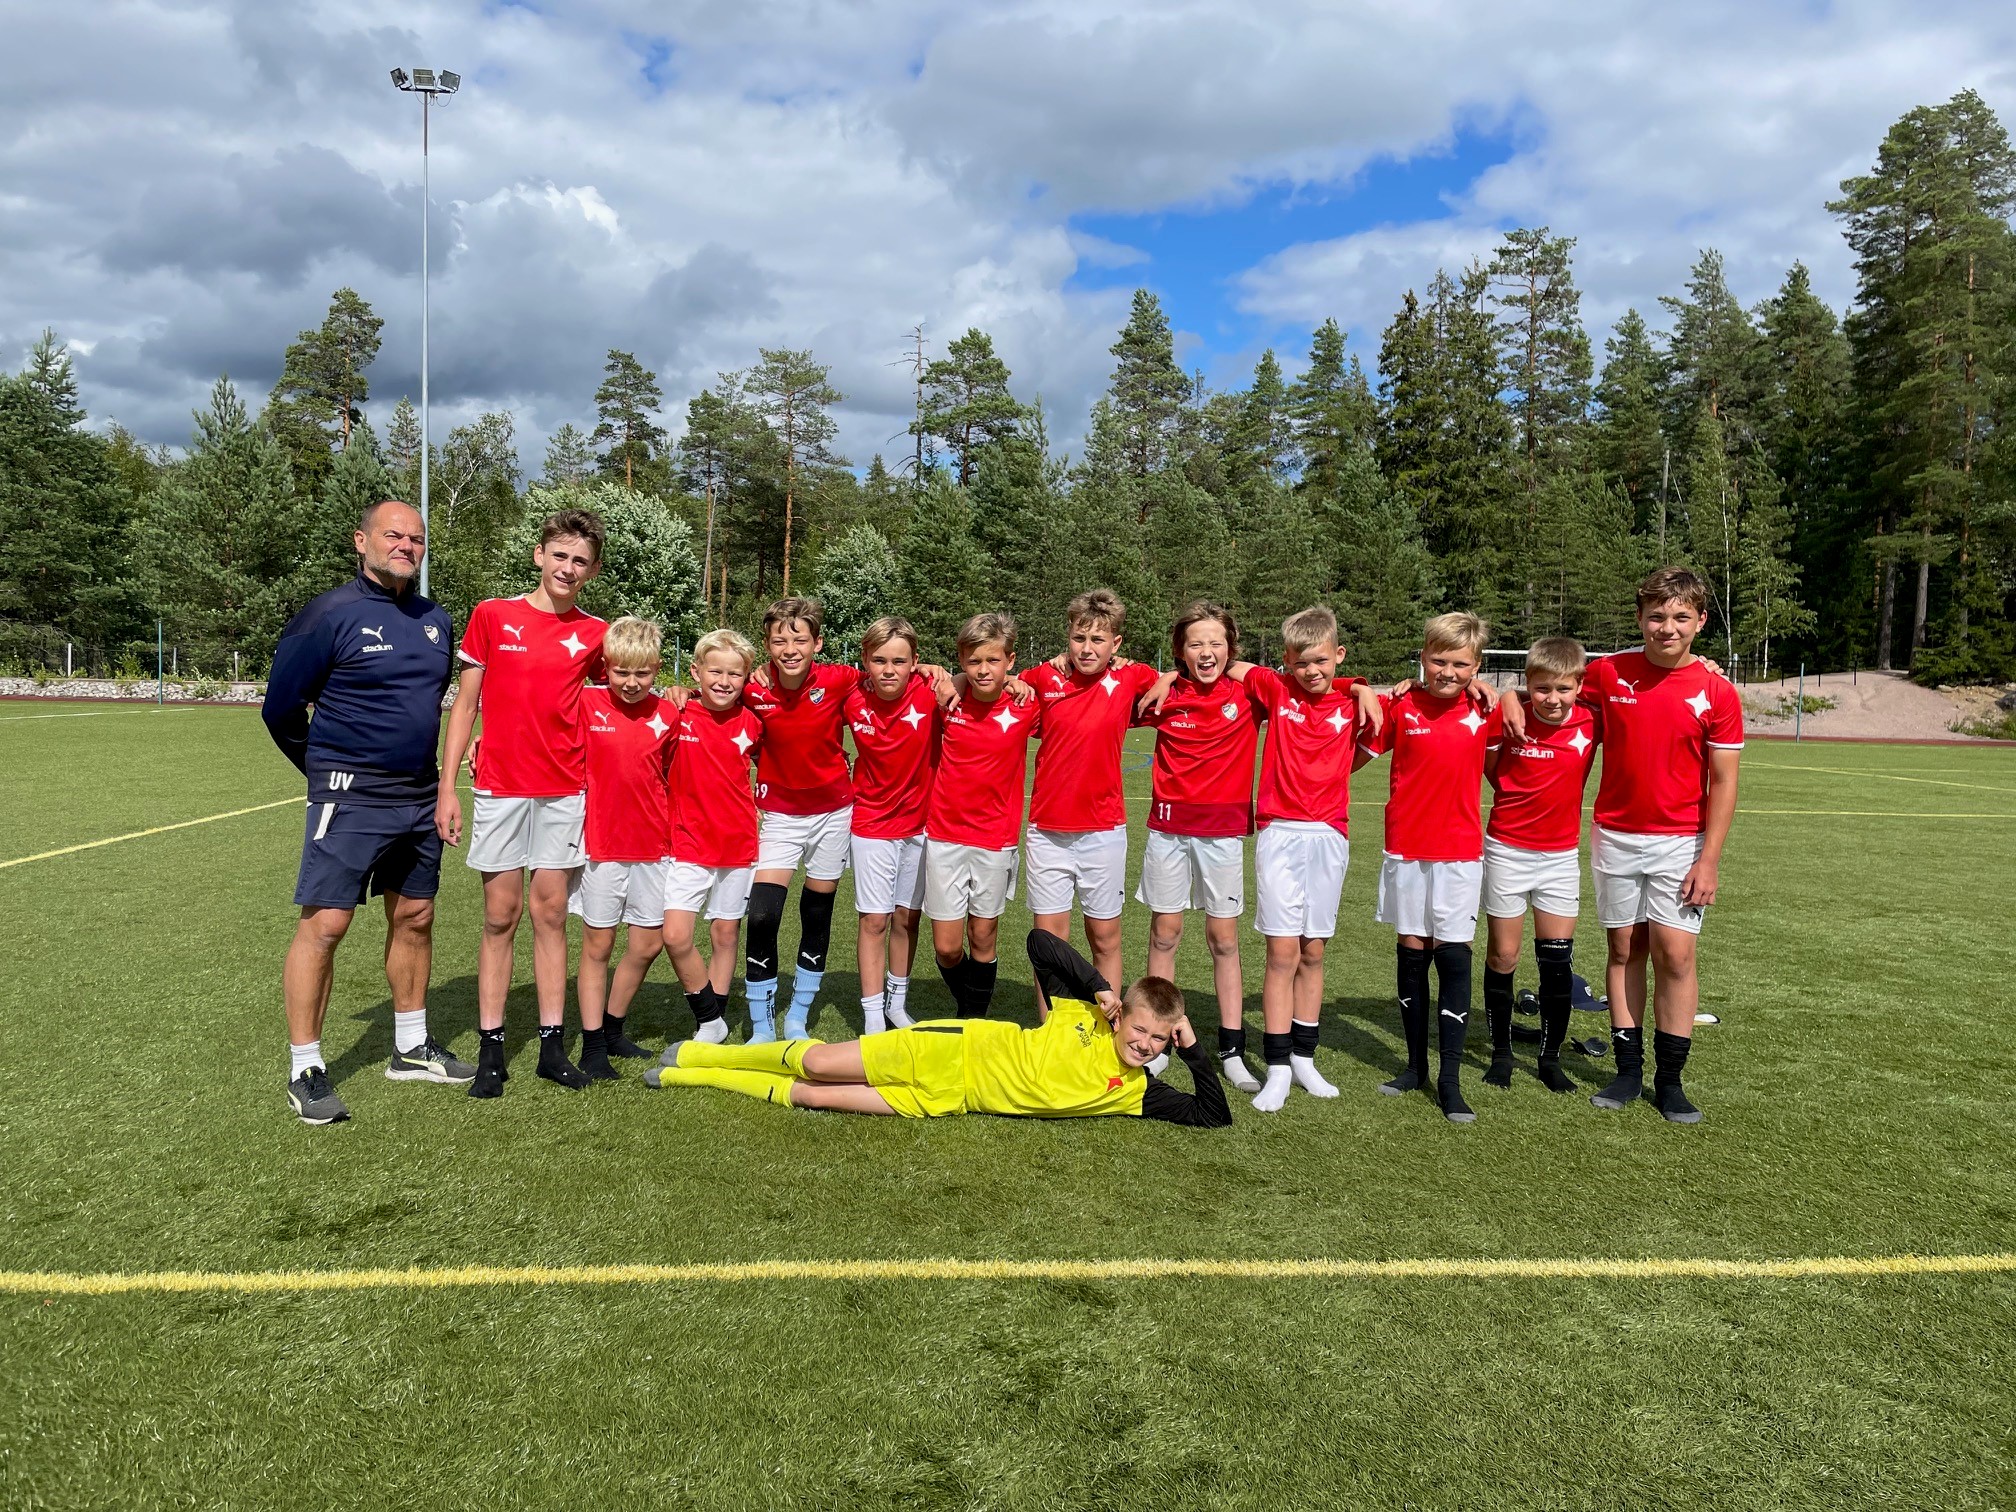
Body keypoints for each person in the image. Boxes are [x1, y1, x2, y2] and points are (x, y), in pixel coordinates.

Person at [1506, 568, 1742, 1122]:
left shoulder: (1716, 690)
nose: (1667, 627)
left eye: (1681, 617)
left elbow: (1726, 782)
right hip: (1615, 837)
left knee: (1676, 956)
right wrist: (1508, 698)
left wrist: (1709, 860)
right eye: (1656, 616)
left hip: (1682, 843)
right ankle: (1627, 1071)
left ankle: (1671, 1079)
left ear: (1701, 622)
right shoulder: (1608, 674)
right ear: (1640, 619)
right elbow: (1549, 687)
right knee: (1623, 951)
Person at [262, 498, 470, 1124]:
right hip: (350, 794)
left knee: (415, 915)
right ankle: (306, 1067)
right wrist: (326, 773)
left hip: (418, 793)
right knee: (325, 924)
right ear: (362, 541)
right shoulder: (330, 613)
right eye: (393, 535)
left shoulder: (437, 620)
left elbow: (437, 705)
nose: (406, 545)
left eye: (416, 537)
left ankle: (409, 1047)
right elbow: (280, 709)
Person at [645, 930, 1231, 1127]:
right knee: (817, 1063)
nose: (1145, 1045)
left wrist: (1195, 1048)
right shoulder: (1082, 1014)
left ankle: (686, 1079)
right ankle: (695, 1057)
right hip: (949, 1052)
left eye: (1159, 1040)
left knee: (810, 1096)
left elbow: (1212, 1115)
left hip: (948, 1100)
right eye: (1142, 1030)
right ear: (1123, 1014)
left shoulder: (1138, 1094)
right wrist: (1101, 988)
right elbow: (1040, 945)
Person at [436, 508, 608, 1098]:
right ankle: (492, 1050)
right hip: (501, 789)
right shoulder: (493, 615)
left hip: (564, 789)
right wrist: (446, 787)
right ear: (539, 555)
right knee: (499, 915)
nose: (567, 567)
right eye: (559, 555)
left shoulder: (596, 633)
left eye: (580, 560)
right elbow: (465, 706)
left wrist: (680, 690)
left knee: (551, 914)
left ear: (592, 570)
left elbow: (630, 688)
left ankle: (552, 1047)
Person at [1220, 606, 1379, 1112]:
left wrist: (1360, 686)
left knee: (1313, 951)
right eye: (1300, 662)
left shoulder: (1355, 703)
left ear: (1339, 656)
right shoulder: (1277, 688)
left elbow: (1374, 741)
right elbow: (1231, 666)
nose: (1312, 671)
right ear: (1286, 661)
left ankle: (1306, 1059)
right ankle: (1279, 1066)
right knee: (1281, 952)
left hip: (1329, 835)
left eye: (1322, 662)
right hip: (1279, 833)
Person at [1360, 612, 1500, 1124]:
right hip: (1405, 848)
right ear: (1422, 657)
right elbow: (1353, 756)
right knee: (1412, 948)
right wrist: (1365, 694)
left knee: (1454, 953)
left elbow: (1512, 769)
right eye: (1438, 660)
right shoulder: (1400, 705)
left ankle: (1450, 1079)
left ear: (1476, 665)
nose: (1448, 671)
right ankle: (1415, 1067)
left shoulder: (1489, 711)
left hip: (1461, 852)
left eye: (1460, 663)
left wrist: (1501, 694)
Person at [1132, 601, 1262, 1091]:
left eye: (1216, 643)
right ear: (1180, 651)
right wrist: (1163, 678)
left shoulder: (1249, 691)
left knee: (1224, 940)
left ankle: (1232, 1049)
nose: (1206, 653)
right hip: (1168, 832)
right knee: (1165, 934)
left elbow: (1311, 681)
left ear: (1230, 648)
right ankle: (1155, 1042)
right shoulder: (1163, 696)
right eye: (1195, 644)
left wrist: (1358, 685)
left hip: (1223, 835)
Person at [1022, 589, 1160, 993]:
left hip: (1103, 831)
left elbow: (1177, 679)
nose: (1086, 648)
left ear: (1115, 644)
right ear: (1068, 636)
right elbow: (992, 679)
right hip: (1048, 832)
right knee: (1050, 945)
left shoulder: (1132, 676)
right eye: (1079, 638)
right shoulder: (1044, 676)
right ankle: (1051, 1035)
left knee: (1105, 939)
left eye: (1098, 640)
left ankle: (1106, 1033)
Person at [1480, 636, 1598, 1095]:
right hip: (1507, 849)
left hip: (1560, 857)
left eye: (1564, 690)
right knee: (1504, 955)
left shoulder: (1592, 720)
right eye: (1542, 689)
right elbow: (1492, 768)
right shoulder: (1509, 716)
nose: (1553, 699)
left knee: (1556, 961)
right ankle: (1502, 1054)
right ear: (1528, 684)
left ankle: (1549, 1059)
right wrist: (1508, 696)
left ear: (1579, 687)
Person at [568, 616, 678, 1079]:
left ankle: (614, 1028)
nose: (631, 683)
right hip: (602, 845)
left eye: (643, 673)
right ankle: (593, 1045)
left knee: (648, 942)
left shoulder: (671, 713)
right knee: (599, 943)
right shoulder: (585, 703)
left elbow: (674, 773)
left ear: (656, 670)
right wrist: (482, 743)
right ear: (605, 667)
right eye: (621, 672)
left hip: (656, 843)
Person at [923, 612, 1041, 1019]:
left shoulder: (1026, 703)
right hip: (944, 836)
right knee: (947, 946)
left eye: (993, 661)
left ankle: (972, 1021)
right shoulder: (947, 698)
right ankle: (970, 1004)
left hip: (996, 838)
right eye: (973, 662)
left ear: (1010, 660)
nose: (983, 670)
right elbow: (907, 668)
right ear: (961, 659)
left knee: (983, 935)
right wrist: (945, 676)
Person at [659, 628, 766, 1046]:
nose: (723, 681)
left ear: (746, 677)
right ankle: (708, 1015)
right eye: (715, 671)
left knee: (725, 936)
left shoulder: (755, 722)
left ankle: (712, 1025)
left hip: (738, 845)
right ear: (695, 671)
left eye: (734, 674)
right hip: (685, 844)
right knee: (676, 935)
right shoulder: (677, 714)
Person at [843, 617, 941, 1034]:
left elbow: (982, 676)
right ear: (865, 659)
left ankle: (896, 1004)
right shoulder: (848, 696)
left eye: (899, 661)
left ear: (914, 662)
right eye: (879, 659)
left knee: (906, 918)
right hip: (870, 823)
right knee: (874, 920)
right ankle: (871, 1016)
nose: (888, 669)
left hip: (920, 825)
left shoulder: (933, 691)